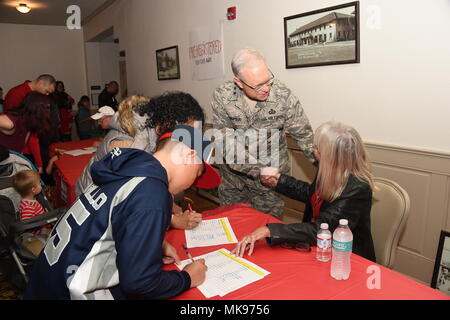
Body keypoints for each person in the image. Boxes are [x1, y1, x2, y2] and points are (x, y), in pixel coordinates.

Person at [23, 124, 222, 300]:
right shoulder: (151, 191)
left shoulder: (131, 168)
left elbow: (111, 217)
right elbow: (140, 283)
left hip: (46, 280)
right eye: (197, 174)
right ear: (189, 156)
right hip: (69, 291)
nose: (192, 184)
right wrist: (187, 278)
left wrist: (154, 244)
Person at [233, 121, 376, 262]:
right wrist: (279, 180)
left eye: (317, 148)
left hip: (347, 258)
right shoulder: (329, 169)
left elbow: (322, 228)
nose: (314, 151)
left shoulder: (357, 188)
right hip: (319, 248)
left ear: (329, 155)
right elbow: (312, 194)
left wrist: (270, 230)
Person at [75, 92, 205, 231]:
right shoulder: (129, 143)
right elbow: (128, 204)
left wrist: (168, 205)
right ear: (171, 122)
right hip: (90, 214)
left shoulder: (153, 132)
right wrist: (172, 220)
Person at [212, 48, 315, 219]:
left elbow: (305, 136)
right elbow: (226, 144)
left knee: (267, 232)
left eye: (268, 80)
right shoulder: (222, 96)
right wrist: (259, 170)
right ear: (238, 82)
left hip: (269, 187)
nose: (266, 88)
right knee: (232, 229)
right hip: (234, 182)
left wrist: (330, 169)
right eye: (258, 85)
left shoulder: (282, 95)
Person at [0, 92, 52, 173]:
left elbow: (21, 148)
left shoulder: (28, 124)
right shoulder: (10, 123)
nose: (48, 111)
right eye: (47, 108)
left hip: (9, 164)